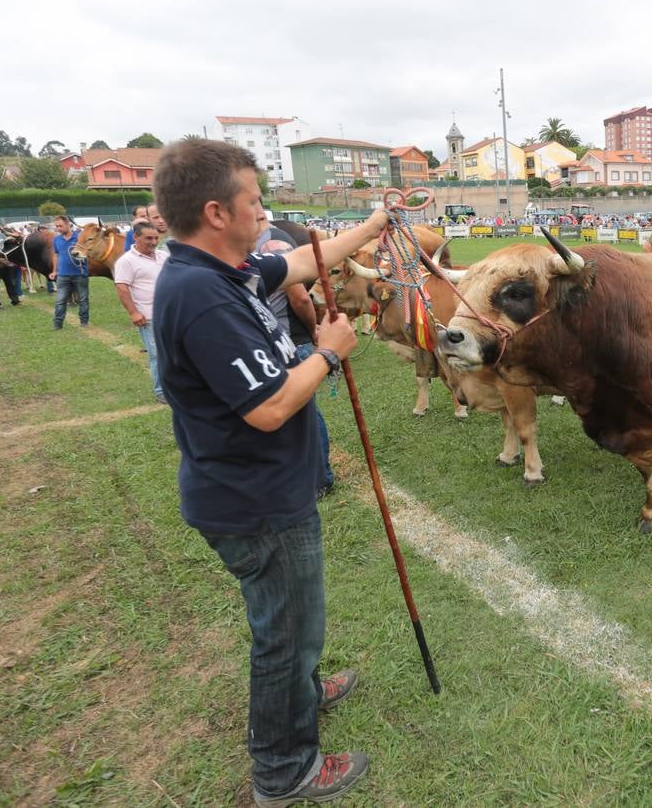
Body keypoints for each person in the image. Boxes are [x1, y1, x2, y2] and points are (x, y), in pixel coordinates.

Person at [151, 139, 392, 806]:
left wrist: (372, 227)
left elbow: (290, 264)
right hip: (253, 500)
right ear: (215, 212)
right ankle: (285, 771)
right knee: (284, 633)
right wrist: (330, 353)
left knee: (295, 623)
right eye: (254, 201)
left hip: (259, 489)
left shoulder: (223, 270)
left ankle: (304, 693)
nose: (264, 211)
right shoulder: (200, 295)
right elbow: (269, 407)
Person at [256, 211, 334, 497]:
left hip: (289, 337)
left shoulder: (272, 242)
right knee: (286, 408)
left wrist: (313, 331)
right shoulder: (249, 243)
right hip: (270, 339)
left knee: (303, 410)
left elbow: (299, 296)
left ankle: (320, 479)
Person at [113, 221, 169, 401]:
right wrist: (134, 313)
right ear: (136, 237)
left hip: (170, 314)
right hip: (149, 316)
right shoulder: (126, 261)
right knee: (157, 355)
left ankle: (177, 387)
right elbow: (122, 288)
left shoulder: (163, 256)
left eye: (155, 238)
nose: (153, 242)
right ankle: (161, 392)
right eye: (148, 238)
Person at [49, 215, 90, 328]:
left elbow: (88, 253)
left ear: (68, 225)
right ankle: (57, 324)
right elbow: (56, 255)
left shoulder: (80, 238)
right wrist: (54, 271)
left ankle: (84, 322)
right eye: (56, 226)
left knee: (83, 299)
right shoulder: (57, 239)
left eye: (60, 226)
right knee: (60, 300)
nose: (58, 228)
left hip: (80, 274)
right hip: (63, 275)